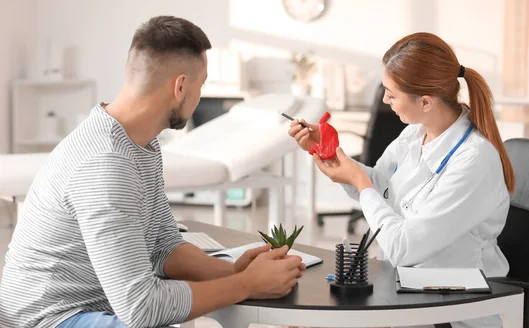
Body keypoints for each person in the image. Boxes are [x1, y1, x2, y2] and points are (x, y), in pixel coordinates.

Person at [0, 16, 305, 328]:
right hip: (49, 319)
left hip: (93, 305)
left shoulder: (141, 143)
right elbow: (142, 309)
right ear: (181, 86)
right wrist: (248, 285)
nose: (198, 97)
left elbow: (161, 244)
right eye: (201, 86)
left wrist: (233, 272)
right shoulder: (105, 164)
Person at [289, 32, 514, 328]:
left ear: (425, 102)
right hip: (403, 292)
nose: (384, 100)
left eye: (392, 93)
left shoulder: (474, 160)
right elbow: (381, 186)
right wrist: (331, 156)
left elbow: (403, 247)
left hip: (448, 312)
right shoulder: (415, 133)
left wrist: (361, 183)